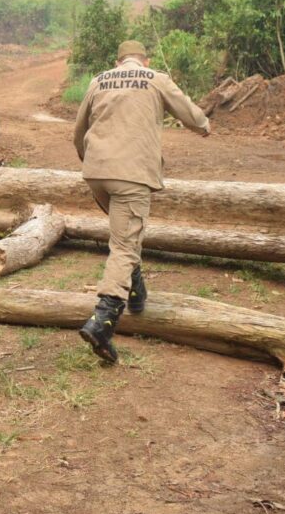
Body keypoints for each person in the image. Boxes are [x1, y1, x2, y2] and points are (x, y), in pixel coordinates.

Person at [72, 39, 210, 363]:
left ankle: (136, 293)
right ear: (144, 61)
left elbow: (78, 132)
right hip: (131, 175)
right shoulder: (155, 79)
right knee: (124, 246)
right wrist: (203, 125)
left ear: (117, 62)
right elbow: (187, 111)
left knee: (125, 236)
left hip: (97, 174)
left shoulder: (99, 80)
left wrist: (90, 162)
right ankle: (102, 320)